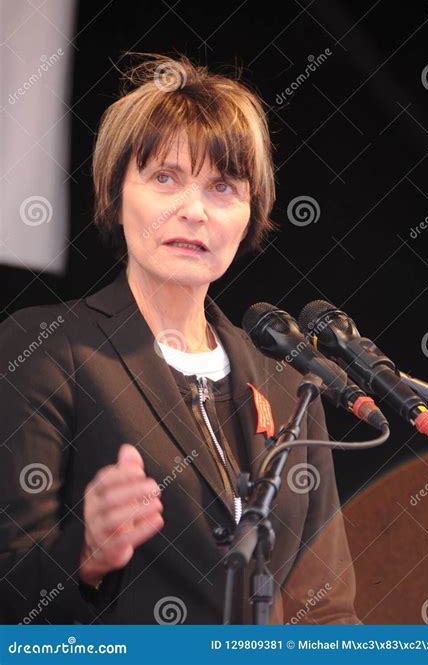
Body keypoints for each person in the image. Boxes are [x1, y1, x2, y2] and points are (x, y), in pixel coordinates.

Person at [0, 54, 360, 625]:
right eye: (165, 178)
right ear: (117, 198)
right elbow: (10, 588)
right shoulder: (45, 349)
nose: (194, 211)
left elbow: (329, 611)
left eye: (223, 187)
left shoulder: (293, 387)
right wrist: (84, 555)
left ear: (249, 216)